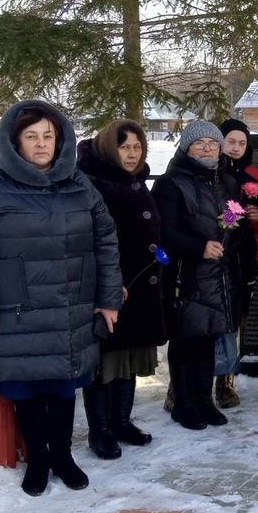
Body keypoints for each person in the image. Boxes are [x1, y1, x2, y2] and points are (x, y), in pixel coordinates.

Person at [0, 100, 122, 496]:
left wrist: (108, 298)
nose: (41, 144)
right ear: (15, 143)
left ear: (60, 140)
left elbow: (106, 242)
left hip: (70, 306)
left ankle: (62, 456)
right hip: (16, 309)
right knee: (28, 389)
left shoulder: (80, 185)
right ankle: (39, 460)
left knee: (63, 388)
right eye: (31, 136)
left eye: (48, 135)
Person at [76, 118, 168, 459]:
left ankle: (121, 422)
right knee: (105, 361)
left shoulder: (134, 182)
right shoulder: (92, 183)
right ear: (108, 148)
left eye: (137, 148)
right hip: (113, 288)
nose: (131, 154)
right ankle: (99, 431)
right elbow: (89, 240)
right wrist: (109, 282)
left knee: (129, 358)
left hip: (140, 288)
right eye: (124, 147)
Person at [152, 120, 241, 431]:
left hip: (219, 275)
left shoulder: (226, 182)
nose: (207, 148)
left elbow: (232, 222)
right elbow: (163, 232)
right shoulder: (171, 183)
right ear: (186, 146)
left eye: (212, 143)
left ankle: (204, 400)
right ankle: (184, 403)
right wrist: (199, 247)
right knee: (186, 338)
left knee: (207, 338)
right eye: (199, 142)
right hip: (185, 274)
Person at [215, 118, 258, 409]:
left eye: (241, 143)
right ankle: (183, 383)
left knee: (236, 320)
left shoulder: (255, 175)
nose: (235, 148)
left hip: (245, 257)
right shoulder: (209, 169)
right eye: (230, 141)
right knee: (201, 321)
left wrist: (255, 217)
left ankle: (225, 382)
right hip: (210, 256)